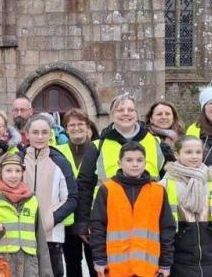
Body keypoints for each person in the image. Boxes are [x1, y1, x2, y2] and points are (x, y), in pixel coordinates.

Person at [75, 93, 164, 241]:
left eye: (130, 110)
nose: (126, 114)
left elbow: (167, 178)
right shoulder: (98, 146)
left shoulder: (155, 143)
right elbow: (84, 185)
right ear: (111, 115)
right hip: (108, 219)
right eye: (120, 110)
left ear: (137, 114)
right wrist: (83, 222)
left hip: (148, 219)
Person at [160, 136, 212, 277]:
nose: (194, 156)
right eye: (188, 152)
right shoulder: (164, 186)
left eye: (198, 152)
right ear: (177, 155)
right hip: (178, 262)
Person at [90, 142, 175, 277]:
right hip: (116, 269)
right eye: (129, 160)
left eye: (139, 160)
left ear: (145, 162)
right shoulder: (107, 189)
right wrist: (99, 259)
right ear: (119, 163)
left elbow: (167, 229)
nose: (135, 164)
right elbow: (97, 227)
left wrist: (165, 263)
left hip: (148, 268)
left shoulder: (158, 191)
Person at [0, 152, 53, 277]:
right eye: (8, 171)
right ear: (0, 173)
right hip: (1, 266)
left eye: (18, 171)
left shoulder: (32, 200)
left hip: (29, 267)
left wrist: (46, 273)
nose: (14, 175)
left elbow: (40, 241)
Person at [21, 115, 77, 277]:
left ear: (50, 134)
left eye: (44, 132)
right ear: (27, 134)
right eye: (35, 132)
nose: (40, 137)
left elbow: (71, 198)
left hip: (51, 237)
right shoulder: (18, 160)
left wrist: (49, 219)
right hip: (22, 235)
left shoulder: (61, 161)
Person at [56, 108, 98, 277]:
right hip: (68, 218)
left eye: (80, 124)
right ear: (66, 128)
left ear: (88, 127)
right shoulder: (58, 151)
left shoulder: (98, 149)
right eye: (71, 125)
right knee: (72, 264)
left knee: (95, 262)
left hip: (93, 216)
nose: (76, 128)